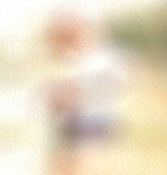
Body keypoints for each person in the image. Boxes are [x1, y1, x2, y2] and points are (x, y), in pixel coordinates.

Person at [45, 12, 126, 142]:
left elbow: (118, 82)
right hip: (73, 123)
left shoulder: (104, 60)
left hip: (94, 122)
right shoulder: (68, 60)